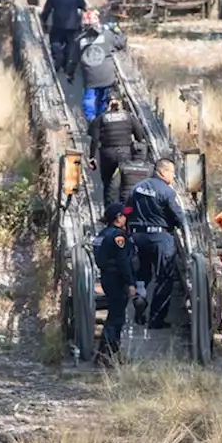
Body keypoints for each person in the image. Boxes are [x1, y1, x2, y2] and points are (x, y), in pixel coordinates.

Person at [124, 158, 185, 329]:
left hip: (138, 237)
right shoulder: (166, 191)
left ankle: (140, 297)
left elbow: (127, 209)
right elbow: (178, 217)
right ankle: (156, 319)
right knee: (164, 278)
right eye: (172, 172)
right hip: (160, 238)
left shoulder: (137, 188)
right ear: (163, 172)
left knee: (142, 274)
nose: (173, 176)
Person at [93, 202, 136, 366]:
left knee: (114, 315)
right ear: (118, 218)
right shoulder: (119, 237)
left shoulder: (101, 234)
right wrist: (130, 283)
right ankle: (107, 354)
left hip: (106, 278)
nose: (126, 217)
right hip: (117, 279)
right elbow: (123, 261)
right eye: (124, 215)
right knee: (116, 318)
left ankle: (107, 354)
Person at [88, 91, 143, 205]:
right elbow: (140, 136)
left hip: (107, 154)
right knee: (126, 182)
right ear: (120, 102)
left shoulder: (102, 118)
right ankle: (125, 208)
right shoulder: (129, 117)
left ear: (107, 104)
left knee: (108, 183)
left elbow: (94, 138)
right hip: (125, 152)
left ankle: (109, 211)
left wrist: (92, 157)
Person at [77, 10, 126, 122]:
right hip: (106, 75)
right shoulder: (107, 35)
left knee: (89, 97)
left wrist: (69, 73)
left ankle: (91, 119)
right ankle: (101, 117)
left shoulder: (80, 39)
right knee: (103, 98)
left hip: (89, 76)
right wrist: (117, 31)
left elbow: (73, 57)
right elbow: (121, 44)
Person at [40, 0, 84, 80]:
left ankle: (58, 57)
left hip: (58, 24)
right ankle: (67, 66)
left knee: (56, 42)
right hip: (72, 26)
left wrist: (43, 20)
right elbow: (83, 6)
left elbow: (47, 9)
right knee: (70, 45)